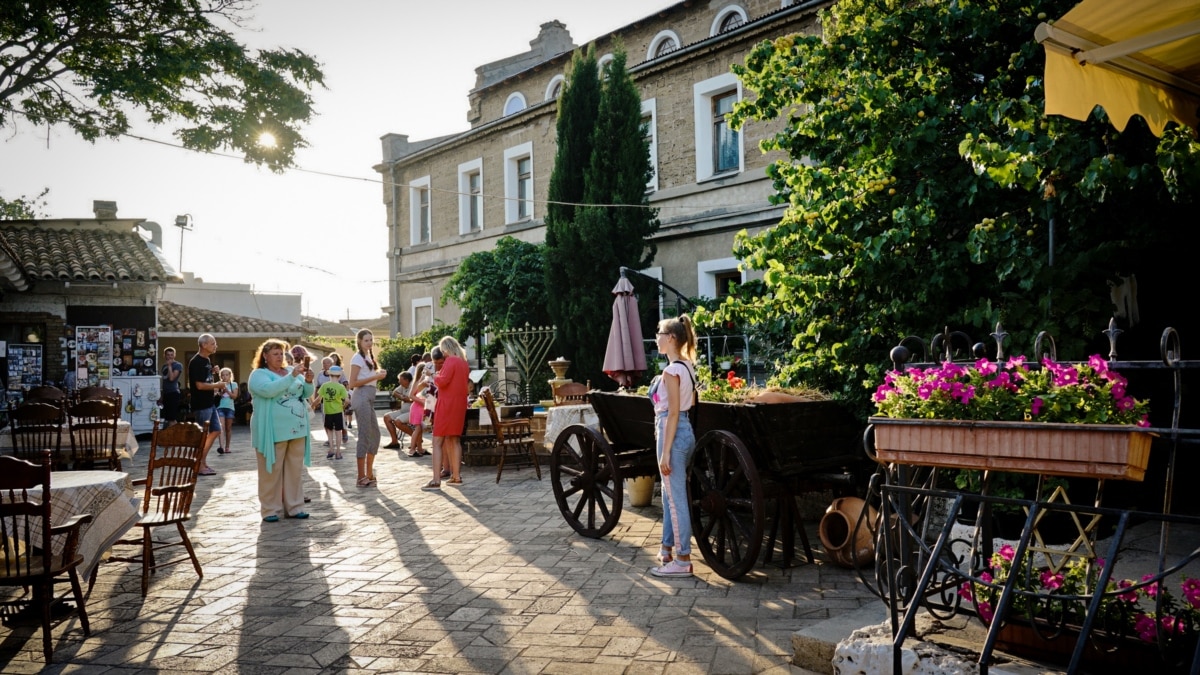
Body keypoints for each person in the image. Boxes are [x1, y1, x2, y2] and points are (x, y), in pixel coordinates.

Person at [648, 315, 699, 578]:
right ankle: (667, 549)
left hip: (672, 432)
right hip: (684, 433)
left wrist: (666, 451)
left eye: (659, 333)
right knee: (669, 495)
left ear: (671, 338)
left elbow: (674, 413)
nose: (656, 337)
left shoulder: (671, 371)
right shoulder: (687, 366)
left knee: (676, 499)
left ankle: (682, 560)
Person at [248, 338, 315, 521]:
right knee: (271, 470)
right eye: (275, 354)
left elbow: (306, 393)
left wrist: (309, 381)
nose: (279, 357)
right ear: (265, 356)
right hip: (273, 431)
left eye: (281, 353)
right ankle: (270, 509)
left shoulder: (291, 372)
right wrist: (292, 376)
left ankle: (295, 507)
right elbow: (269, 390)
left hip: (297, 428)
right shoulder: (259, 374)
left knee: (294, 470)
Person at [425, 336, 469, 490]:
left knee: (437, 441)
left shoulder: (451, 360)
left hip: (447, 404)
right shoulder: (463, 362)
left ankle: (436, 480)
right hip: (459, 404)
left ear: (445, 349)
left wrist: (433, 376)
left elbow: (442, 381)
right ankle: (456, 476)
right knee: (454, 440)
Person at [348, 329, 387, 488]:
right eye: (366, 340)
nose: (369, 343)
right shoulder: (357, 358)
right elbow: (352, 383)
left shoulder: (370, 357)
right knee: (364, 435)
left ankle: (369, 473)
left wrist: (379, 374)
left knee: (375, 435)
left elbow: (368, 378)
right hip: (361, 396)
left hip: (369, 397)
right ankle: (360, 476)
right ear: (359, 342)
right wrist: (375, 377)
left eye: (371, 340)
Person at [189, 333, 226, 476]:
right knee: (203, 435)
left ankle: (201, 462)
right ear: (204, 345)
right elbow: (199, 385)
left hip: (210, 402)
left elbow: (204, 377)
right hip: (201, 404)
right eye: (213, 343)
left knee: (216, 430)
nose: (215, 346)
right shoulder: (196, 361)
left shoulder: (206, 360)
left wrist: (211, 371)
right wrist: (217, 385)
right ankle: (199, 464)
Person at [317, 364, 350, 460]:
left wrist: (312, 406)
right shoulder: (340, 387)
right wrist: (343, 407)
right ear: (339, 376)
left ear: (329, 375)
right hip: (338, 412)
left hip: (327, 412)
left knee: (330, 431)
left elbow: (319, 399)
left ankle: (331, 449)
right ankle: (338, 452)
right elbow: (347, 400)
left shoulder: (324, 386)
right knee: (338, 431)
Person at [383, 371, 415, 451]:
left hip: (411, 412)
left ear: (406, 380)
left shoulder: (413, 386)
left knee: (398, 422)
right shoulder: (403, 386)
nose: (399, 382)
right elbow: (394, 392)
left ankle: (416, 439)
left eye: (400, 380)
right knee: (387, 417)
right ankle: (394, 442)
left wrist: (407, 399)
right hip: (403, 411)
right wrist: (401, 396)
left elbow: (413, 398)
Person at [407, 363, 430, 457]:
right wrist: (423, 402)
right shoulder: (417, 382)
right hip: (417, 407)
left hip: (422, 408)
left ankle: (419, 448)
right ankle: (412, 449)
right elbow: (410, 396)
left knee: (420, 429)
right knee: (418, 428)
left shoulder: (425, 381)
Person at [329, 352, 352, 442]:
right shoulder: (325, 371)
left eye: (335, 357)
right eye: (332, 357)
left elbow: (345, 382)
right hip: (329, 396)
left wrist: (345, 394)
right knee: (328, 418)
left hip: (338, 395)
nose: (333, 358)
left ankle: (344, 431)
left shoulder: (340, 371)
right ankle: (330, 437)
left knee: (340, 416)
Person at [216, 367, 238, 454]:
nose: (224, 377)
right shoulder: (218, 384)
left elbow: (234, 396)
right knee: (221, 427)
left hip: (230, 408)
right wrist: (219, 392)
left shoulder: (234, 384)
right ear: (220, 376)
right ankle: (221, 446)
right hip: (220, 407)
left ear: (230, 375)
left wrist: (227, 391)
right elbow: (215, 395)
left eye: (226, 375)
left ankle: (227, 447)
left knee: (228, 428)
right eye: (223, 375)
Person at [160, 347, 183, 428]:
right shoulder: (163, 366)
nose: (169, 356)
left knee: (171, 418)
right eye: (168, 355)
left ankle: (175, 435)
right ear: (164, 355)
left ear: (174, 355)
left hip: (173, 393)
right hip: (166, 393)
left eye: (171, 355)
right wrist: (162, 396)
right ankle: (175, 435)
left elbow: (171, 378)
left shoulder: (178, 365)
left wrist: (169, 366)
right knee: (168, 418)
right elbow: (164, 381)